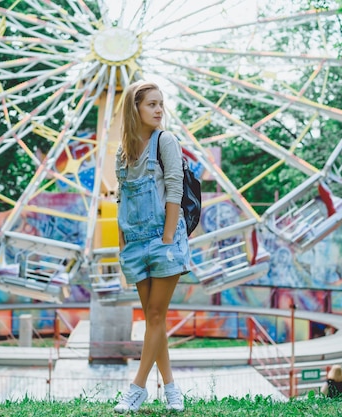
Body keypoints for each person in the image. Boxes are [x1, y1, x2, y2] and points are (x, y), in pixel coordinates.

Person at [113, 81, 190, 413]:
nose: (159, 110)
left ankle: (137, 388)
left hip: (163, 240)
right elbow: (122, 199)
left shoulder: (166, 141)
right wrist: (122, 245)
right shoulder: (124, 152)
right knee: (152, 320)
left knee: (156, 315)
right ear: (136, 109)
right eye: (152, 105)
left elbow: (175, 188)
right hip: (134, 243)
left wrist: (168, 239)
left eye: (161, 104)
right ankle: (172, 389)